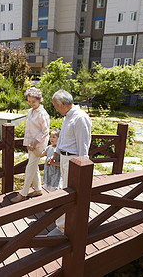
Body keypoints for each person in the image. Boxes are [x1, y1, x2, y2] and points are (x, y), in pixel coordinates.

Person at [46, 89, 92, 233]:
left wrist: (83, 167)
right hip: (65, 158)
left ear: (64, 104)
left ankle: (63, 227)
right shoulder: (68, 116)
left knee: (68, 192)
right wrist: (55, 153)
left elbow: (83, 145)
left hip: (74, 160)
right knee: (65, 190)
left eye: (56, 106)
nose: (55, 109)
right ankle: (64, 225)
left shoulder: (80, 118)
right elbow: (63, 139)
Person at [11, 87, 50, 203]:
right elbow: (29, 129)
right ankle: (38, 189)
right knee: (34, 166)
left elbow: (45, 131)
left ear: (39, 100)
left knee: (29, 167)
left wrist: (34, 143)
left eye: (33, 101)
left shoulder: (42, 113)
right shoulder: (30, 111)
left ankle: (23, 194)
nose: (31, 103)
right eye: (28, 101)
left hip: (38, 145)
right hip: (31, 145)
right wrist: (28, 143)